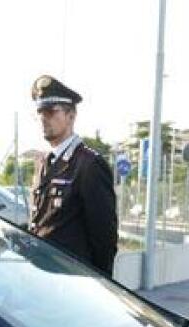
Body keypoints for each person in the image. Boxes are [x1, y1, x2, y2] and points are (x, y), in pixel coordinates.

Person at [29, 75, 118, 275]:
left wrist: (101, 284)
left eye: (51, 112)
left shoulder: (89, 165)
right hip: (42, 277)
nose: (44, 118)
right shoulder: (42, 163)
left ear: (71, 115)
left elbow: (104, 237)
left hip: (72, 281)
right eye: (40, 112)